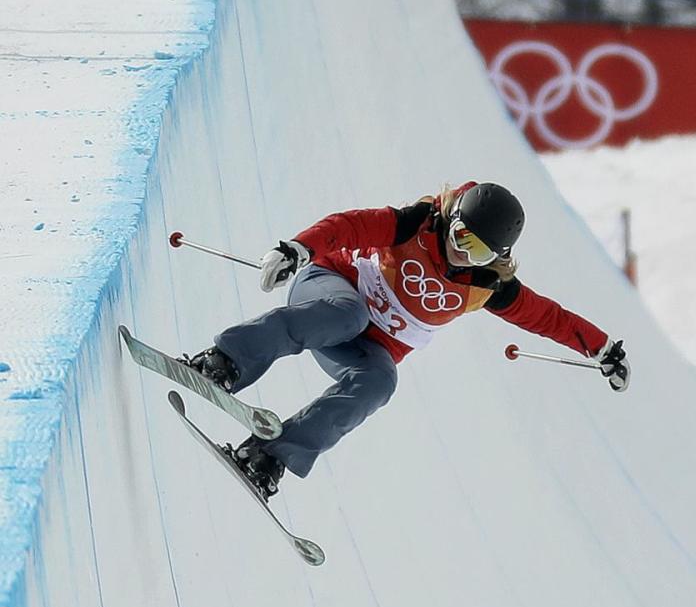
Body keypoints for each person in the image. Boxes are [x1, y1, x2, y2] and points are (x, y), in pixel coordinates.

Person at [181, 182, 631, 500]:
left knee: (380, 381)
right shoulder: (417, 224)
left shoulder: (487, 286)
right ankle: (224, 361)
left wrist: (601, 347)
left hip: (363, 346)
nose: (461, 252)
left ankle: (268, 456)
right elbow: (351, 225)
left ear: (498, 258)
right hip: (331, 289)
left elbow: (547, 316)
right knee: (350, 313)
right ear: (451, 220)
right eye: (460, 237)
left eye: (477, 251)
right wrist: (299, 249)